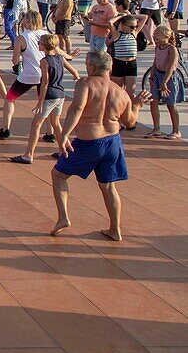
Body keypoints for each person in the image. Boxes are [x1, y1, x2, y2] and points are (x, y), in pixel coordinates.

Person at [50, 51, 149, 241]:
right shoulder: (121, 93)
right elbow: (130, 122)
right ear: (110, 68)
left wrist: (64, 135)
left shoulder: (86, 83)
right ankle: (115, 229)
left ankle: (63, 217)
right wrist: (136, 105)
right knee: (108, 186)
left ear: (92, 67)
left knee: (58, 175)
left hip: (89, 142)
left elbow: (77, 108)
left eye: (87, 64)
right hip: (112, 142)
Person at [10, 34, 80, 164]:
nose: (38, 45)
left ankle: (28, 154)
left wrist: (40, 101)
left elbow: (45, 83)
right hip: (60, 94)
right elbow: (73, 70)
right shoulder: (59, 57)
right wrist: (75, 75)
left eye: (39, 43)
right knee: (55, 122)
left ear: (44, 46)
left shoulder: (44, 61)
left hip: (50, 95)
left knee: (36, 124)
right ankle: (64, 149)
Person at [0, 11, 49, 140]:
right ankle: (50, 132)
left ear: (27, 21)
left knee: (10, 98)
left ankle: (5, 129)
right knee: (46, 103)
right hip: (45, 74)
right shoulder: (46, 34)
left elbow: (15, 59)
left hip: (28, 74)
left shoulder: (22, 37)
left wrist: (17, 65)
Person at [144, 25, 182, 139]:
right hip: (158, 75)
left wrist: (164, 82)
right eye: (155, 37)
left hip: (169, 77)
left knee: (170, 104)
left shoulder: (171, 49)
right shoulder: (158, 47)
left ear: (166, 36)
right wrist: (151, 76)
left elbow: (171, 67)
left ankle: (176, 130)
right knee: (153, 101)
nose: (155, 39)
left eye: (158, 37)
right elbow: (155, 62)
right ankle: (156, 129)